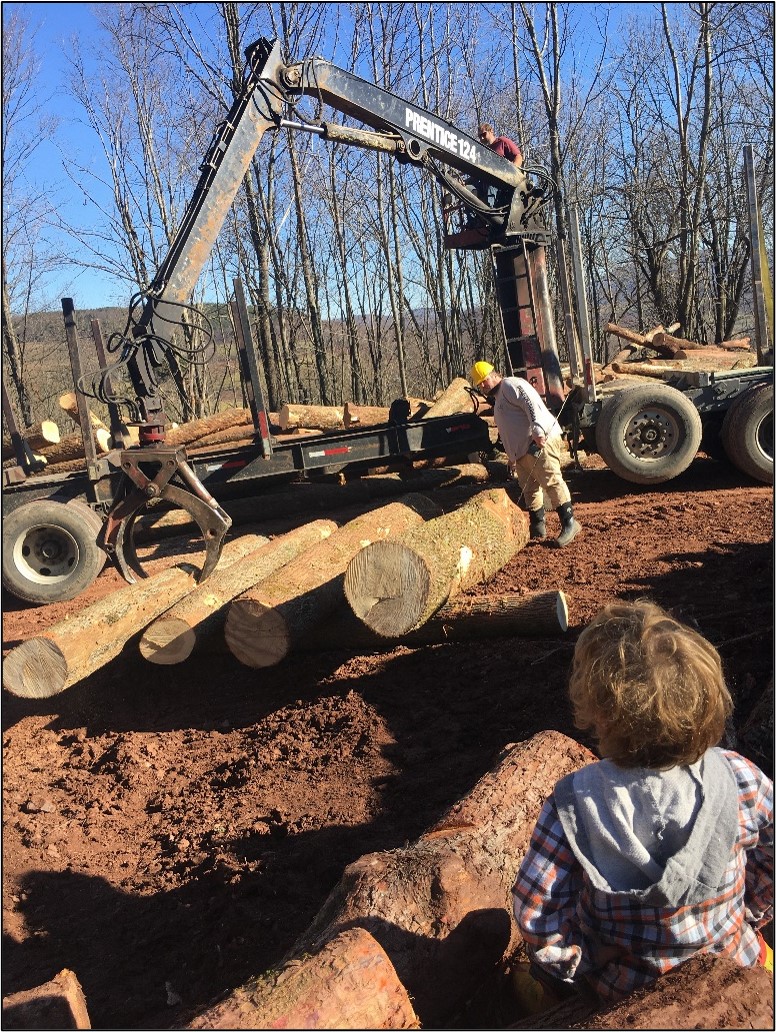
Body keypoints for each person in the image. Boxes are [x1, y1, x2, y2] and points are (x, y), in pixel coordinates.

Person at [512, 600, 774, 1010]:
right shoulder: (738, 776)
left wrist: (578, 958)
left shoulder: (574, 803)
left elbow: (536, 909)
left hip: (623, 990)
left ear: (598, 709)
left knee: (527, 984)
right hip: (731, 961)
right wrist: (750, 912)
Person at [469, 360, 581, 546]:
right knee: (530, 490)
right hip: (522, 452)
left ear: (494, 374)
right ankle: (537, 527)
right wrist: (512, 458)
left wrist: (538, 429)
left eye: (484, 380)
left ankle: (570, 522)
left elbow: (531, 403)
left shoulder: (511, 385)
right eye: (479, 383)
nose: (482, 386)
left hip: (537, 442)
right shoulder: (499, 399)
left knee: (552, 481)